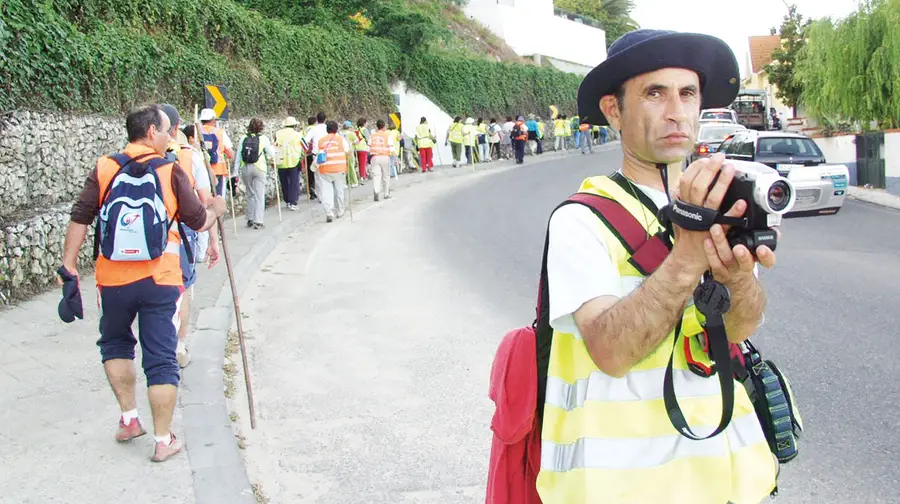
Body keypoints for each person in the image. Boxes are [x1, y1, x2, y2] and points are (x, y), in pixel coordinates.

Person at [536, 29, 779, 503]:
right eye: (654, 93)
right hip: (627, 488)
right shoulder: (580, 219)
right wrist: (689, 255)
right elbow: (611, 351)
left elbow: (740, 327)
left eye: (687, 94)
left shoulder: (719, 204)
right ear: (614, 111)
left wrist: (736, 276)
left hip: (728, 481)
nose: (676, 112)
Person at [61, 104, 226, 462]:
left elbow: (81, 215)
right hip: (160, 279)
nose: (170, 138)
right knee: (161, 359)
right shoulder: (169, 169)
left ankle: (129, 420)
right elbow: (198, 221)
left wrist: (69, 264)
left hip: (112, 279)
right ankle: (163, 440)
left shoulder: (106, 167)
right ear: (151, 132)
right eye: (166, 131)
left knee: (115, 344)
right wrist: (217, 209)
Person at [160, 104, 221, 369]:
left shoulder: (134, 156)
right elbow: (207, 201)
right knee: (181, 288)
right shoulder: (190, 156)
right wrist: (214, 242)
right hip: (182, 231)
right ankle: (179, 346)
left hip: (148, 231)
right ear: (176, 128)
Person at [234, 118, 275, 230]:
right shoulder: (264, 139)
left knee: (250, 193)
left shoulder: (243, 138)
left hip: (246, 168)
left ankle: (250, 218)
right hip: (259, 168)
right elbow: (271, 154)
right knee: (259, 194)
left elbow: (238, 156)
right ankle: (258, 221)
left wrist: (235, 173)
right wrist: (273, 147)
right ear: (261, 127)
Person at [316, 121, 352, 222]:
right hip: (339, 168)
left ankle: (329, 212)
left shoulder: (321, 141)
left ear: (327, 129)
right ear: (336, 129)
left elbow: (317, 153)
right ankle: (340, 211)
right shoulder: (341, 139)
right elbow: (348, 151)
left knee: (326, 191)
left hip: (325, 169)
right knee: (339, 190)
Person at [198, 108, 235, 197]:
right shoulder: (220, 132)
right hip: (218, 170)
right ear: (214, 120)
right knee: (219, 198)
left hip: (202, 171)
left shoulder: (196, 132)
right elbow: (230, 153)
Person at [274, 116, 305, 211]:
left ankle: (287, 200)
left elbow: (274, 145)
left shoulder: (277, 133)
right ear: (294, 125)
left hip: (281, 161)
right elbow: (305, 146)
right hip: (293, 161)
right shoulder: (298, 134)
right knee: (294, 182)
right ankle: (293, 202)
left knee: (284, 182)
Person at [368, 119, 394, 201]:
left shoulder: (372, 135)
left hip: (374, 157)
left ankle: (376, 191)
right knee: (386, 176)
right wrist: (396, 158)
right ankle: (386, 193)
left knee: (376, 175)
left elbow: (368, 147)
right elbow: (391, 148)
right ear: (384, 127)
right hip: (385, 157)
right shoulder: (387, 135)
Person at [302, 116, 319, 200]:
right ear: (315, 122)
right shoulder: (316, 129)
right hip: (314, 153)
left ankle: (311, 191)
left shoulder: (304, 130)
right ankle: (315, 190)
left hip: (306, 154)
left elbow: (302, 141)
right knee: (316, 172)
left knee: (309, 172)